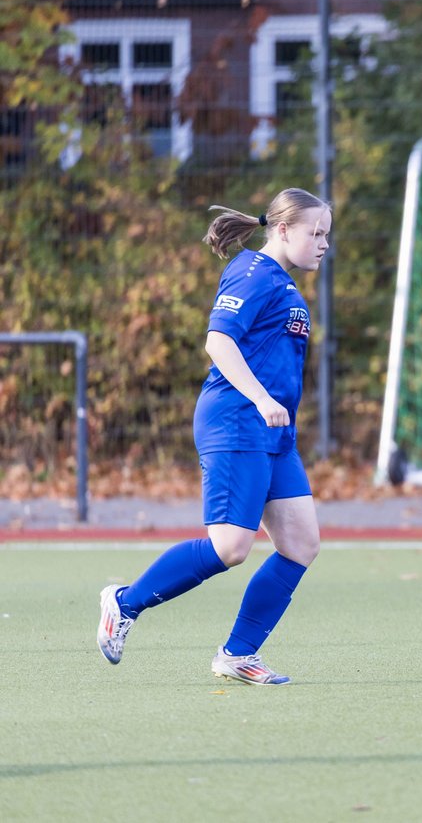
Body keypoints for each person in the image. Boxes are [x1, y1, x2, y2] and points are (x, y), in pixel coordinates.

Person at [96, 187, 331, 685]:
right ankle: (125, 601)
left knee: (301, 543)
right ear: (283, 229)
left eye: (326, 234)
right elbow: (218, 340)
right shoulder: (252, 272)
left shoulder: (284, 284)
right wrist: (262, 399)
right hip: (236, 421)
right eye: (316, 232)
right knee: (230, 547)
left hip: (273, 431)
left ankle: (238, 654)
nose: (323, 243)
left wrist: (277, 409)